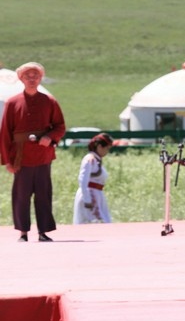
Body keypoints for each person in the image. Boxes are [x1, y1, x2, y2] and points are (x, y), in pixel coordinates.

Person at [0, 62, 66, 242]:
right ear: (21, 78)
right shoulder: (12, 102)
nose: (31, 79)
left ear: (40, 78)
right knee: (21, 195)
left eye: (35, 75)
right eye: (27, 76)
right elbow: (5, 133)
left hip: (43, 155)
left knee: (43, 194)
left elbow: (60, 126)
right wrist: (7, 161)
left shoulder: (49, 101)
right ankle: (23, 232)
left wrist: (50, 137)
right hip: (20, 157)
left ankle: (43, 232)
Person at [72, 133, 115, 224]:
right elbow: (83, 179)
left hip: (96, 194)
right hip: (90, 195)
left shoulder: (96, 160)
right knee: (95, 223)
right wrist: (87, 199)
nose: (107, 152)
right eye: (107, 148)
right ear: (99, 146)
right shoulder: (89, 159)